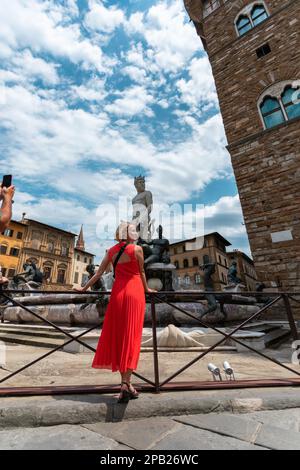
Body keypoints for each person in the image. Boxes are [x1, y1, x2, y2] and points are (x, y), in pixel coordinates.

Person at [74, 221, 157, 403]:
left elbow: (97, 274)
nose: (136, 233)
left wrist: (84, 288)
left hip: (118, 294)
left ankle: (125, 384)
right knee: (132, 338)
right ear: (128, 233)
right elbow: (141, 271)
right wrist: (147, 290)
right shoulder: (137, 250)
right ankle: (126, 384)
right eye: (134, 230)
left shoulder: (111, 251)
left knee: (121, 339)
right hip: (135, 294)